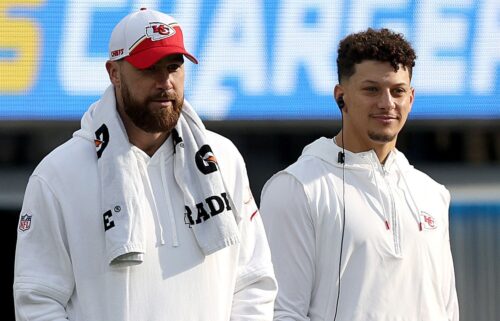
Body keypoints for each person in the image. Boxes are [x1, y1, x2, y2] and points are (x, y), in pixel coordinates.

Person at [14, 8, 277, 321]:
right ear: (114, 72)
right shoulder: (58, 174)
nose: (164, 81)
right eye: (149, 68)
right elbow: (38, 300)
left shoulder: (223, 159)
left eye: (173, 67)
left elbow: (253, 283)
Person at [260, 28, 459, 321]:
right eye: (371, 89)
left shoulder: (433, 193)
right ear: (341, 97)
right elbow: (281, 312)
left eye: (398, 91)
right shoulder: (296, 187)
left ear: (411, 98)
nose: (387, 103)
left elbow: (447, 310)